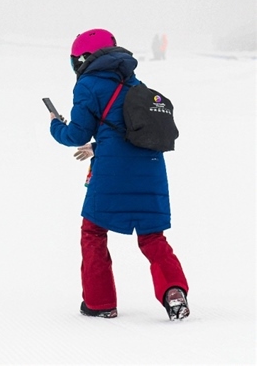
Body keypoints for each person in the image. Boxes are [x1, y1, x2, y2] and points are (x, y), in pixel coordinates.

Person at [48, 28, 190, 320]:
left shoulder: (88, 85)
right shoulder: (135, 82)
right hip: (151, 167)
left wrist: (55, 124)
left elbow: (76, 134)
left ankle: (100, 302)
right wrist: (98, 146)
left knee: (93, 231)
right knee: (152, 237)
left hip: (112, 172)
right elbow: (129, 129)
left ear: (83, 59)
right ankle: (173, 290)